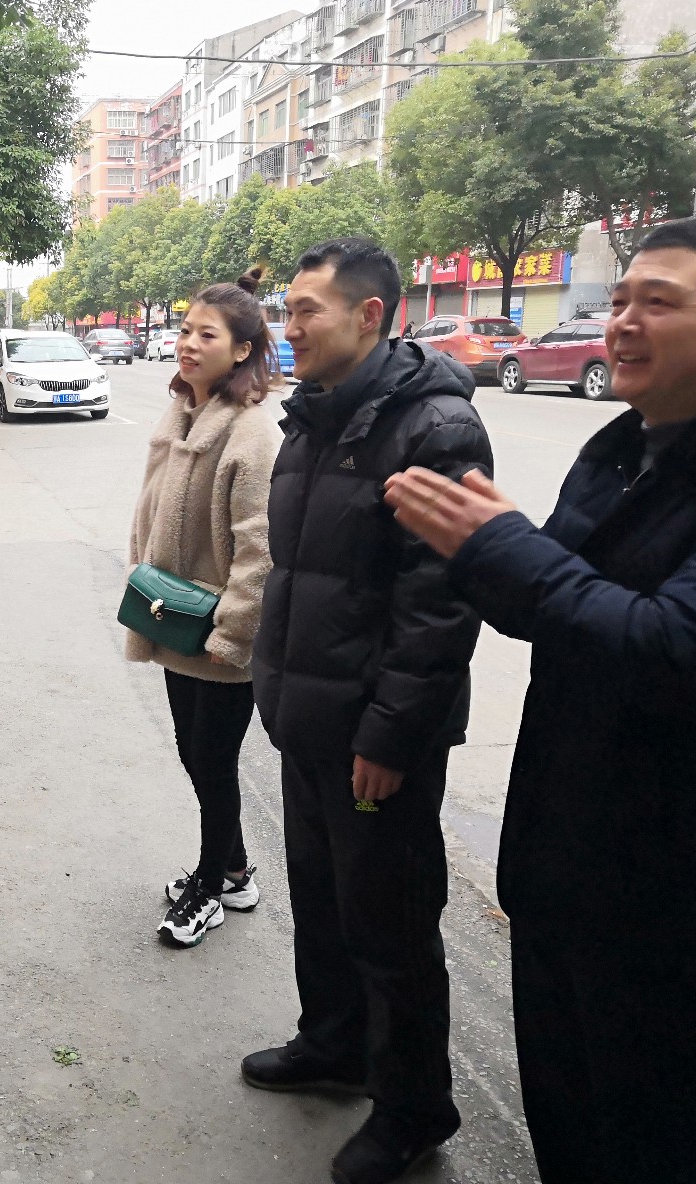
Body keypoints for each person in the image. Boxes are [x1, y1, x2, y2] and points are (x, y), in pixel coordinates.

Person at [383, 211, 696, 1184]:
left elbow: (671, 651)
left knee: (657, 1142)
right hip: (563, 861)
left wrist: (504, 549)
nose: (622, 323)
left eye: (659, 302)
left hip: (673, 898)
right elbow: (556, 610)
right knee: (565, 1119)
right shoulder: (624, 447)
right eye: (621, 299)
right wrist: (479, 551)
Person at [246, 238, 493, 1184]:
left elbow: (439, 606)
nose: (290, 327)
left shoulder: (434, 427)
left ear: (371, 315)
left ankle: (413, 1108)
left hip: (376, 737)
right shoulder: (313, 415)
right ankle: (334, 1044)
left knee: (390, 926)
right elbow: (300, 575)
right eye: (287, 310)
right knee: (321, 898)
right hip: (308, 717)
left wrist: (391, 736)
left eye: (307, 311)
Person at [125, 271, 282, 948]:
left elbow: (261, 550)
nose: (188, 343)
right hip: (175, 620)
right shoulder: (181, 413)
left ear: (242, 350)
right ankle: (235, 869)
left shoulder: (252, 433)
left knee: (212, 765)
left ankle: (210, 889)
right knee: (195, 755)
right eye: (185, 330)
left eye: (206, 335)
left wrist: (233, 633)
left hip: (218, 635)